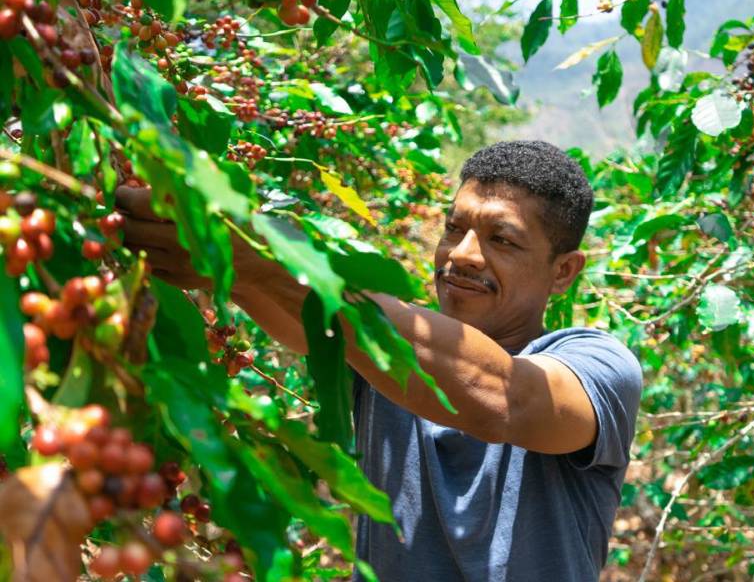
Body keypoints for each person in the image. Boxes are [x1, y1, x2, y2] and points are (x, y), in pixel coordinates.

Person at [117, 140, 642, 582]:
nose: (461, 255)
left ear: (564, 271)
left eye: (501, 240)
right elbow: (290, 311)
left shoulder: (597, 365)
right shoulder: (385, 342)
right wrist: (201, 237)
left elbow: (508, 399)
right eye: (455, 228)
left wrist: (255, 259)